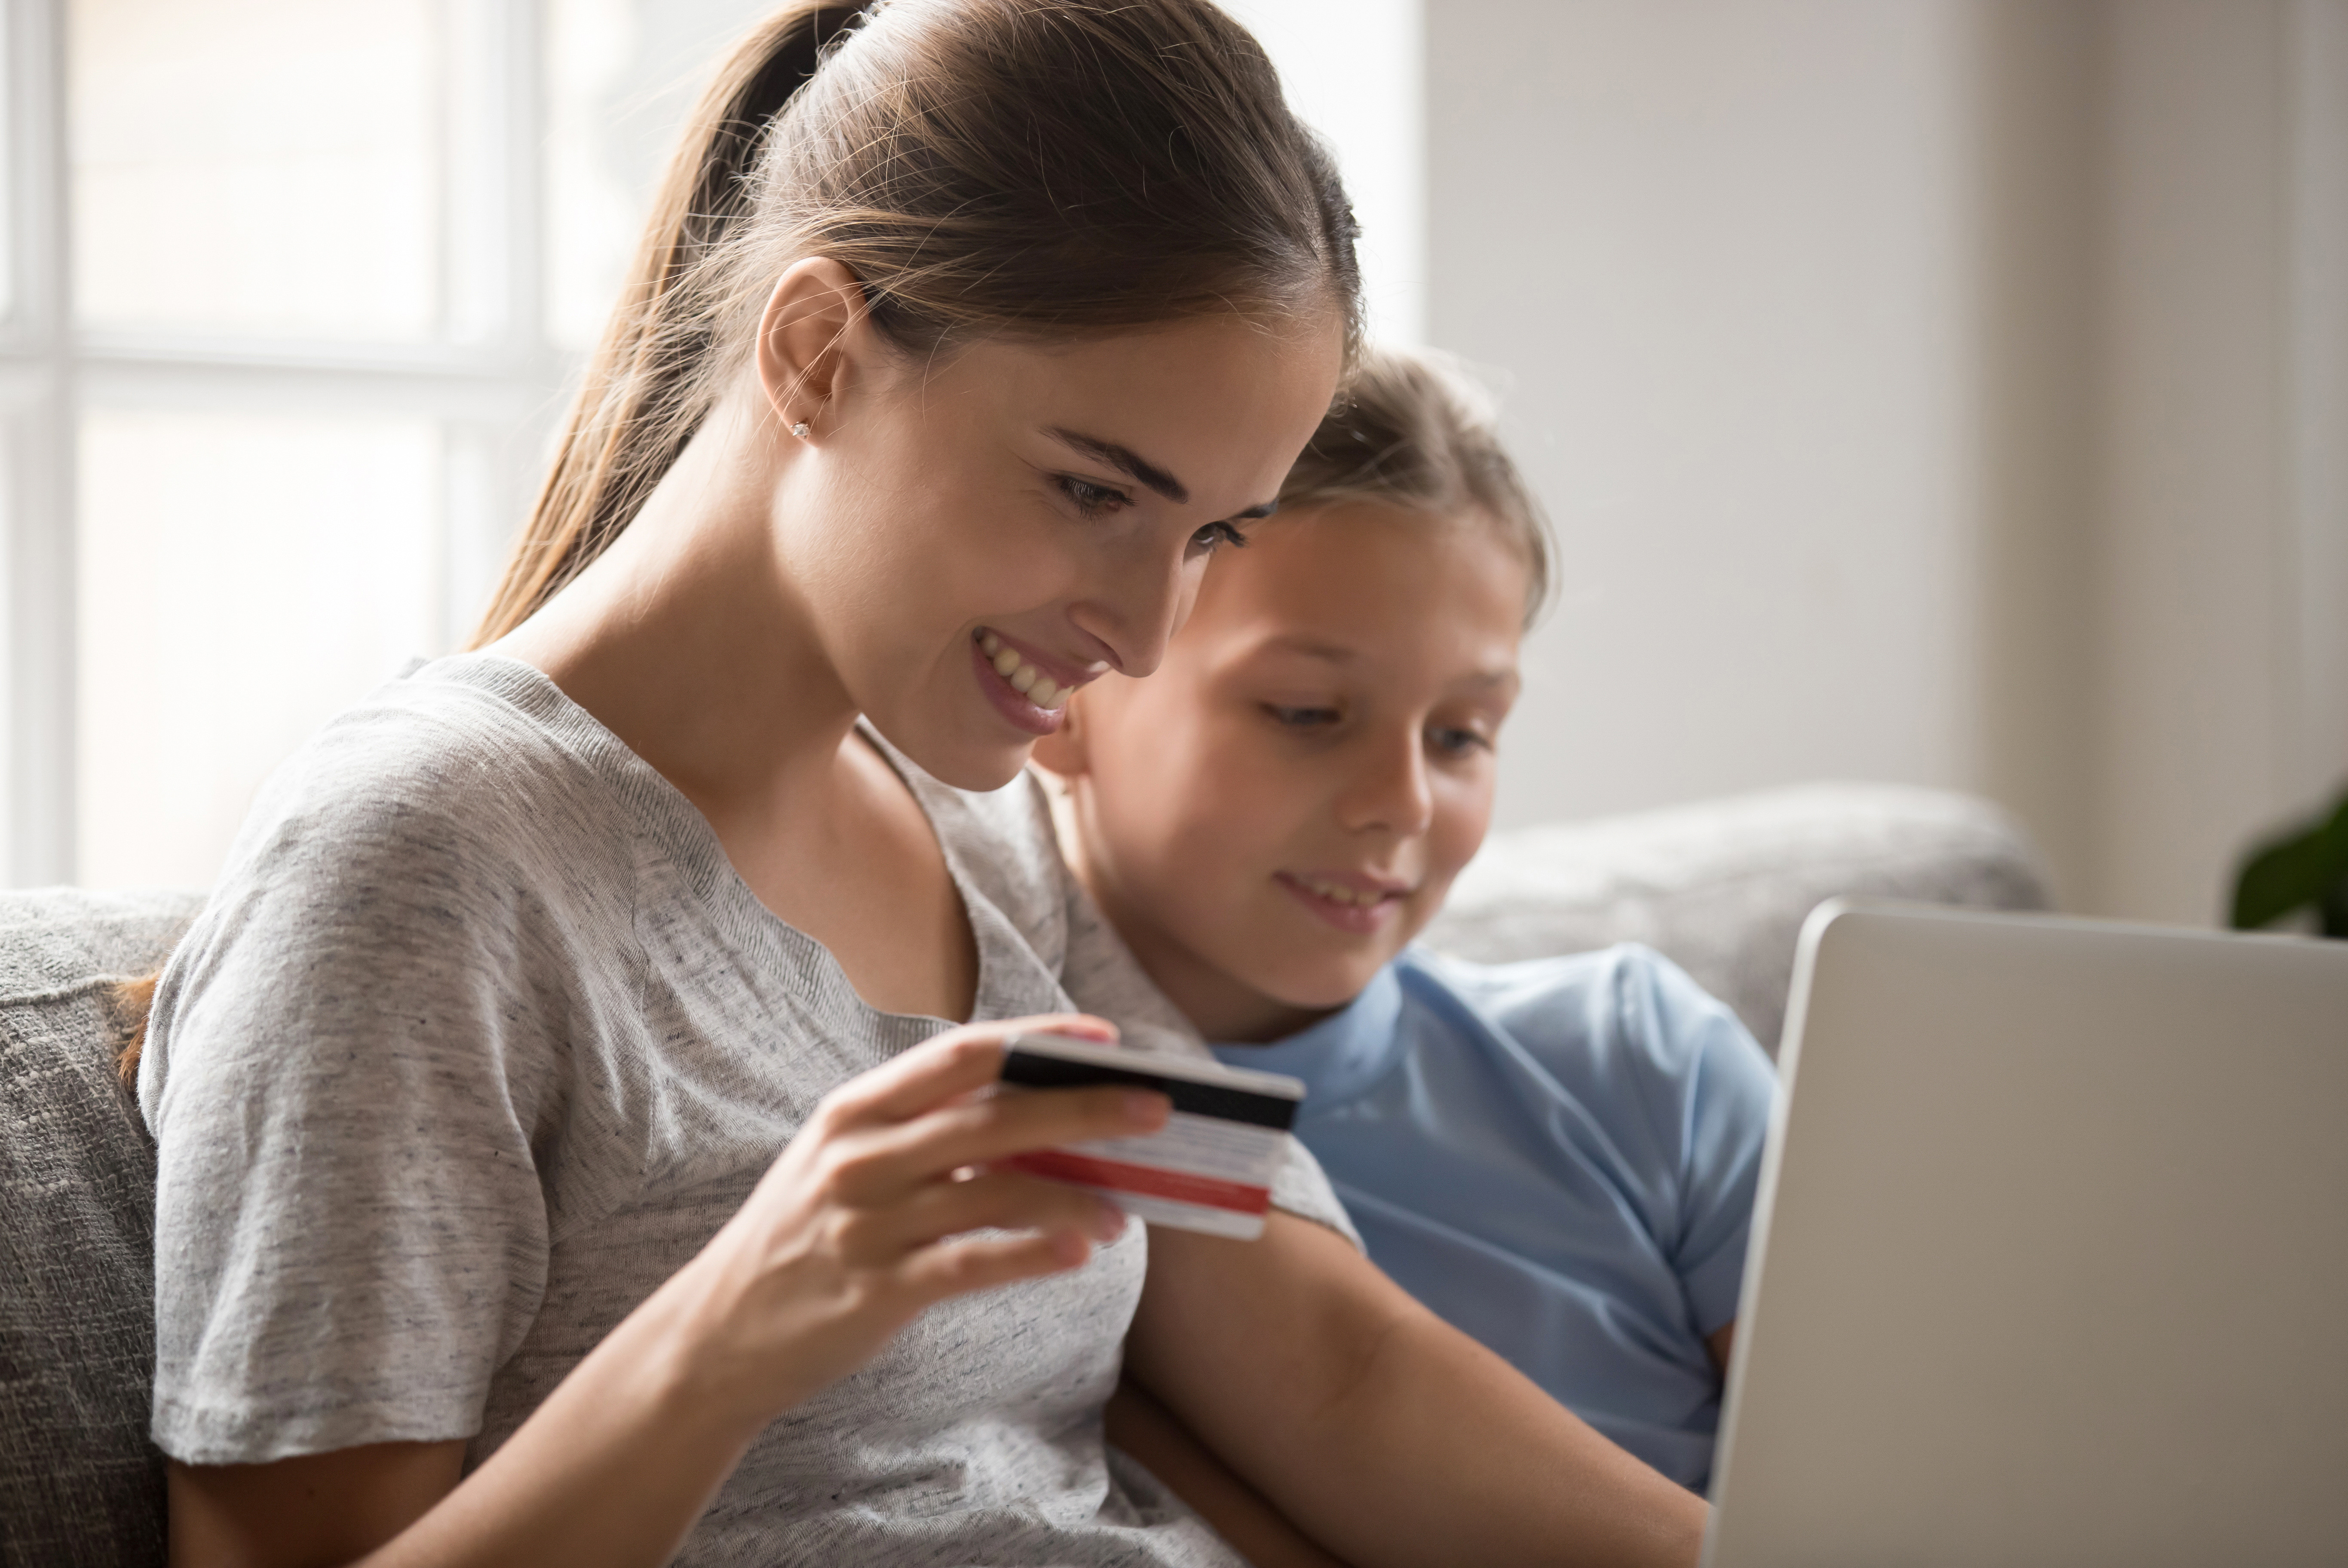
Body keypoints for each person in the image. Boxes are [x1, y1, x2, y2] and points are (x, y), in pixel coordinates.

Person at [130, 5, 1709, 1567]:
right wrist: (733, 1332)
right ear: (819, 354)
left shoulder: (991, 837)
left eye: (1213, 534)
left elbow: (1335, 1373)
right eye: (1095, 490)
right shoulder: (420, 865)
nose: (1150, 635)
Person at [1041, 348, 1779, 1499]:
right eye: (1306, 712)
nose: (1403, 803)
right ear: (1070, 694)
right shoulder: (1038, 1132)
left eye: (1461, 735)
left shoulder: (1649, 1067)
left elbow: (1893, 1491)